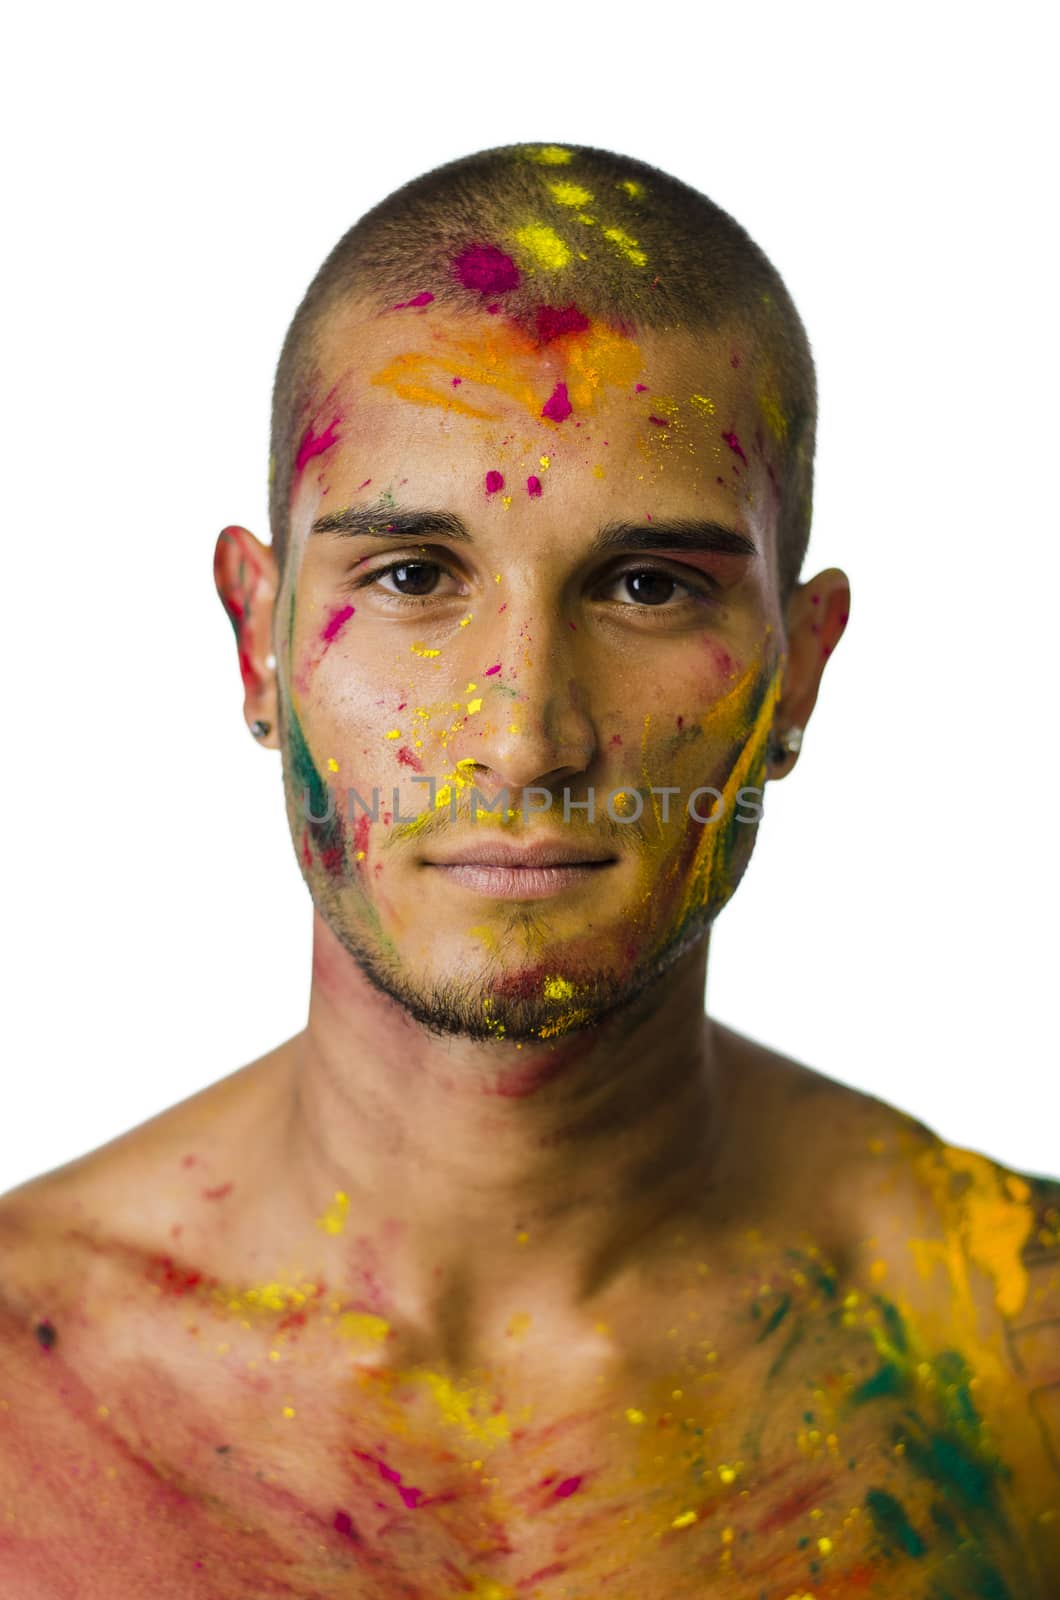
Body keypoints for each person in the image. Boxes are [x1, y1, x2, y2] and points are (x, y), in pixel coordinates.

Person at [0, 142, 1056, 1599]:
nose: (521, 739)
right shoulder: (27, 1385)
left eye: (647, 587)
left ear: (799, 671)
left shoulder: (1015, 1359)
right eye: (413, 576)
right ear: (259, 639)